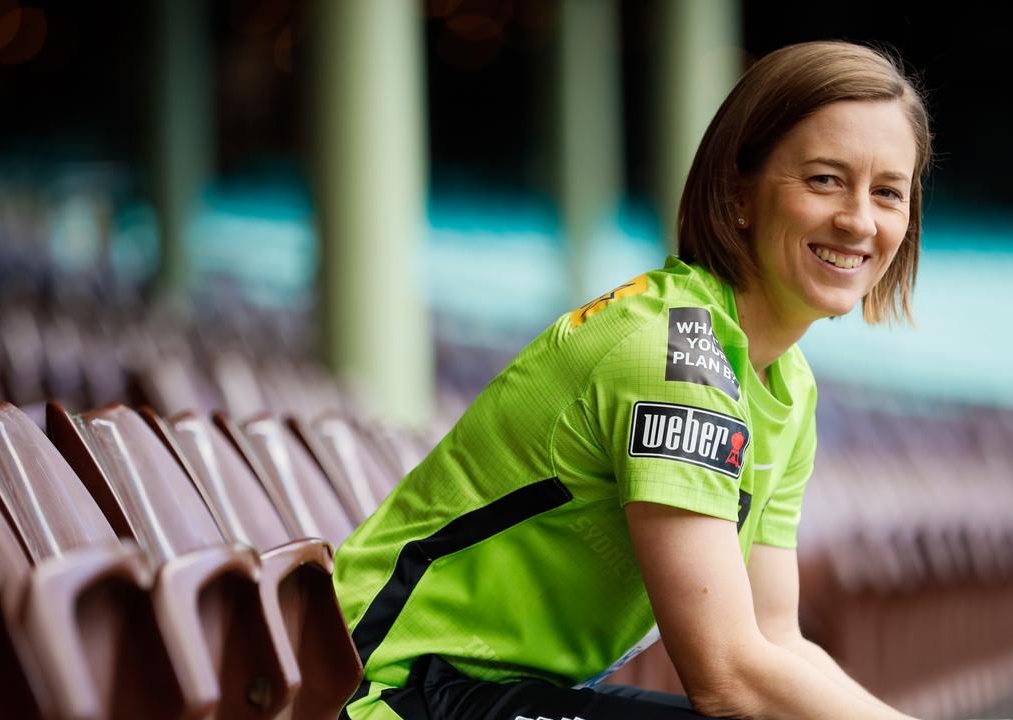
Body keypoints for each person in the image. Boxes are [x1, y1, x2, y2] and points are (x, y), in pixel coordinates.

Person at [334, 39, 932, 720]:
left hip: (488, 693)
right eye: (824, 179)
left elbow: (776, 639)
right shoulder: (679, 353)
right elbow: (728, 678)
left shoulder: (786, 385)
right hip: (378, 690)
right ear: (739, 193)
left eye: (888, 193)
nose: (858, 219)